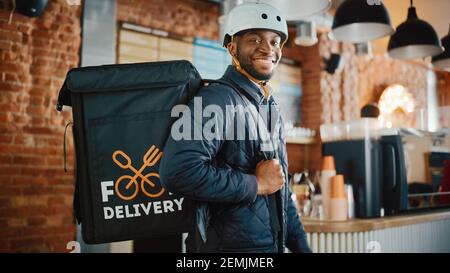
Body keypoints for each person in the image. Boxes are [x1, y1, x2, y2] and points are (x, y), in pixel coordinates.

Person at [159, 2, 311, 253]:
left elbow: (279, 188)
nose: (267, 48)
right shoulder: (217, 99)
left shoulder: (270, 106)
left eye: (275, 41)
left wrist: (302, 249)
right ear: (232, 48)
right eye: (254, 39)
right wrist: (257, 185)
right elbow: (177, 172)